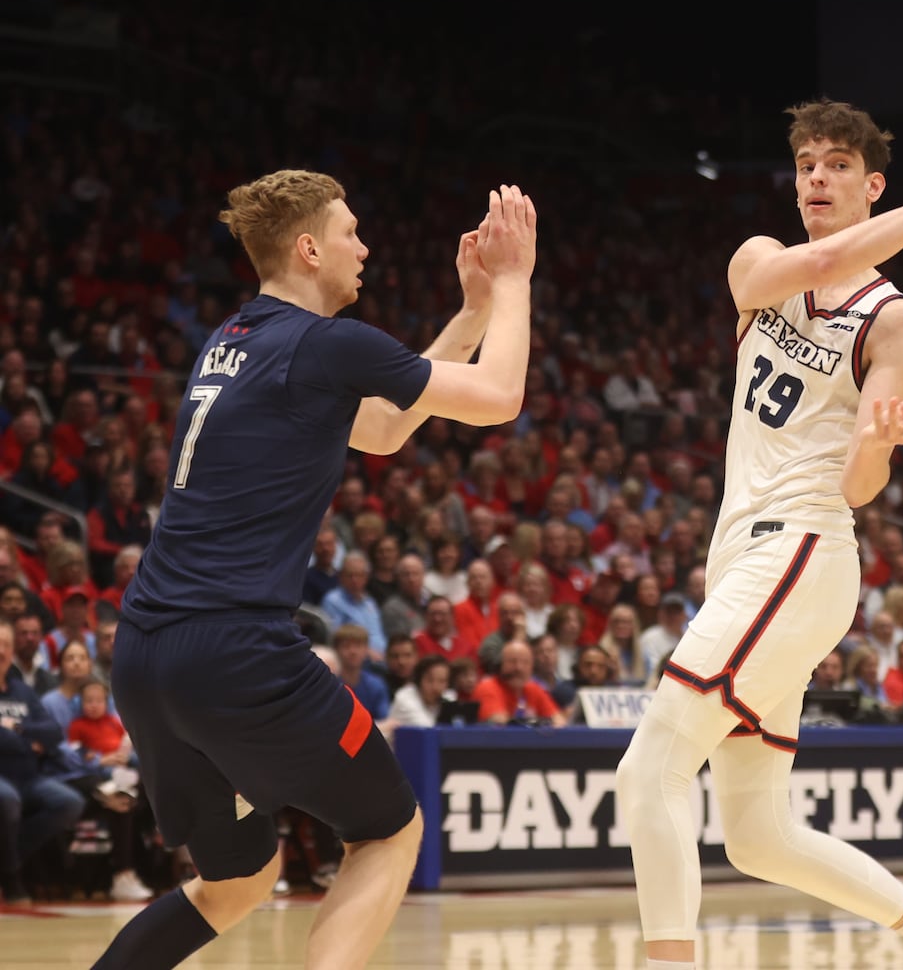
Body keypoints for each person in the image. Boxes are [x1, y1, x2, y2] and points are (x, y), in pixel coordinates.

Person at [615, 99, 903, 970]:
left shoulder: (897, 323)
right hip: (746, 555)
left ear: (874, 185)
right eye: (807, 163)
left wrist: (878, 448)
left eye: (837, 165)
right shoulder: (763, 261)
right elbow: (818, 262)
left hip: (804, 547)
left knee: (648, 770)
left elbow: (857, 486)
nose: (816, 176)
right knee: (758, 836)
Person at [91, 174, 537, 970]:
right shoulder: (331, 342)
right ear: (308, 248)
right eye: (350, 233)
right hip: (235, 652)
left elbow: (385, 430)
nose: (363, 248)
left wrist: (469, 312)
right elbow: (499, 397)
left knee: (235, 881)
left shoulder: (229, 341)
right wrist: (511, 283)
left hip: (145, 652)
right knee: (389, 830)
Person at [0, 620, 84, 903]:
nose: (1, 651)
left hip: (30, 777)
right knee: (7, 799)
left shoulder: (21, 690)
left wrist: (18, 730)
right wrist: (25, 741)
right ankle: (12, 877)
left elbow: (53, 731)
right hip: (3, 778)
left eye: (6, 645)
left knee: (69, 802)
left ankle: (7, 859)